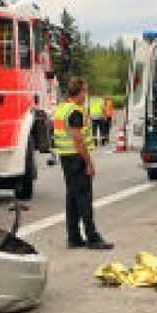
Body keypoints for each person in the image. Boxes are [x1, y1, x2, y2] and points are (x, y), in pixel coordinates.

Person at [53, 78, 113, 250]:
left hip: (66, 157)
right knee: (84, 199)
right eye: (84, 92)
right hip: (76, 158)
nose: (85, 95)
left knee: (72, 198)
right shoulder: (75, 112)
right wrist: (89, 163)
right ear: (78, 93)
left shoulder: (62, 108)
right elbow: (78, 140)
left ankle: (74, 236)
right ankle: (92, 236)